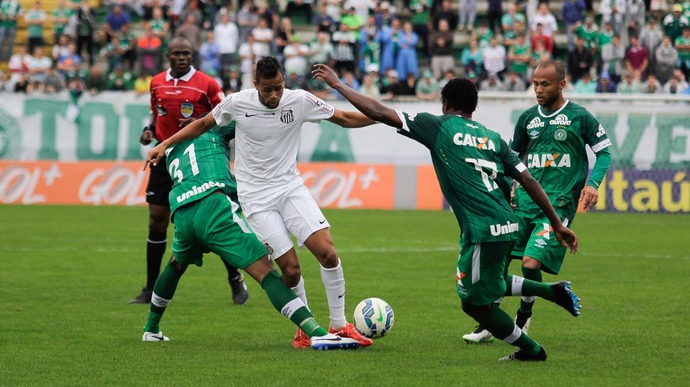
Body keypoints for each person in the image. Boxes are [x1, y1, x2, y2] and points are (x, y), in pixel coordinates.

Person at [311, 63, 582, 361]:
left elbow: (378, 111)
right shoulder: (491, 137)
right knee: (493, 281)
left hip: (482, 229)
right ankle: (551, 291)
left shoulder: (438, 125)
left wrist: (338, 84)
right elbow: (527, 179)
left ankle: (531, 350)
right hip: (507, 223)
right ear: (473, 107)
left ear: (445, 104)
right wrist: (557, 223)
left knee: (474, 303)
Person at [144, 56, 375, 349]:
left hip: (291, 188)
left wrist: (383, 116)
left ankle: (339, 324)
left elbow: (344, 119)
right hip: (255, 199)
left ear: (284, 82)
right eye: (267, 89)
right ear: (256, 85)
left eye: (278, 87)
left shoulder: (300, 100)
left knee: (328, 253)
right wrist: (164, 145)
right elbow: (202, 124)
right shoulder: (237, 103)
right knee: (289, 269)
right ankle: (305, 331)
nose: (274, 95)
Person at [463, 60, 612, 344]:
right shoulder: (528, 119)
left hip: (558, 205)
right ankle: (489, 319)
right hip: (523, 203)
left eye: (545, 84)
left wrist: (593, 184)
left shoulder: (580, 117)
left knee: (530, 263)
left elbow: (604, 152)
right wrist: (506, 187)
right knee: (499, 260)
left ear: (562, 84)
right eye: (535, 84)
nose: (539, 90)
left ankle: (522, 317)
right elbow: (510, 157)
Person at [132, 37, 248, 305]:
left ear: (192, 56)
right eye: (177, 53)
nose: (182, 57)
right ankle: (150, 288)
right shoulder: (157, 81)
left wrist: (198, 122)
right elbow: (155, 112)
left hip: (198, 156)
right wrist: (149, 130)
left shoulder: (206, 84)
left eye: (186, 53)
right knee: (156, 221)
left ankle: (234, 277)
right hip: (163, 155)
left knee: (213, 220)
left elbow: (225, 115)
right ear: (168, 56)